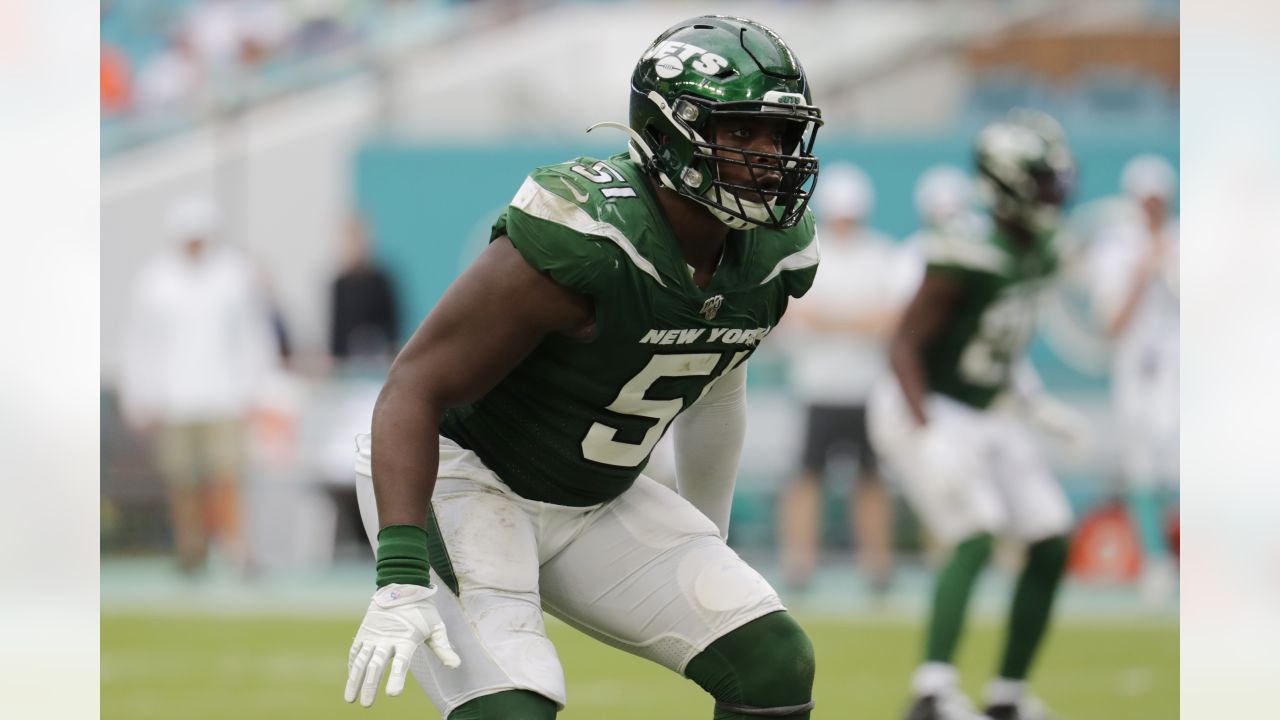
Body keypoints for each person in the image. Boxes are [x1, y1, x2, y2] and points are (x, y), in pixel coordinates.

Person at [343, 16, 824, 720]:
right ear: (670, 132)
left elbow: (719, 385)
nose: (768, 156)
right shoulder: (589, 234)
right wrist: (400, 576)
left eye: (779, 136)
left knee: (774, 661)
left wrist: (706, 538)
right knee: (516, 708)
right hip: (469, 479)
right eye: (741, 133)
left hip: (598, 496)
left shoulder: (770, 255)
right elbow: (413, 387)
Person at [868, 110, 1089, 720]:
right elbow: (903, 345)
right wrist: (929, 433)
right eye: (1045, 180)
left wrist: (1033, 399)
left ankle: (1008, 696)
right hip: (924, 403)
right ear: (1008, 182)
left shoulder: (1039, 247)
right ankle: (932, 693)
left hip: (987, 408)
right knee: (975, 531)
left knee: (1049, 538)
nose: (1057, 192)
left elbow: (999, 334)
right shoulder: (961, 249)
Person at [118, 194, 278, 576]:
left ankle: (238, 550)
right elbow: (141, 343)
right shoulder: (155, 279)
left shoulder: (233, 274)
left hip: (224, 397)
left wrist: (257, 387)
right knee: (181, 480)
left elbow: (252, 336)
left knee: (227, 477)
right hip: (174, 399)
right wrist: (139, 397)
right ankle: (191, 551)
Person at [778, 163, 913, 596]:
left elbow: (890, 320)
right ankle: (799, 565)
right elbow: (797, 318)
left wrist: (833, 322)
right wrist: (857, 322)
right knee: (807, 478)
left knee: (871, 480)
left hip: (867, 388)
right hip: (818, 386)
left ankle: (878, 568)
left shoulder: (881, 256)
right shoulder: (810, 253)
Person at [1087, 154, 1179, 604]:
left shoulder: (1185, 244)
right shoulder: (1117, 248)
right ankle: (1156, 560)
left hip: (1182, 371)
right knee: (1143, 464)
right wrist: (1144, 273)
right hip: (1136, 372)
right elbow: (1112, 322)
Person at [330, 215, 400, 363]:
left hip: (377, 359)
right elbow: (336, 330)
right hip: (347, 362)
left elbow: (392, 323)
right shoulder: (339, 284)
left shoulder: (381, 280)